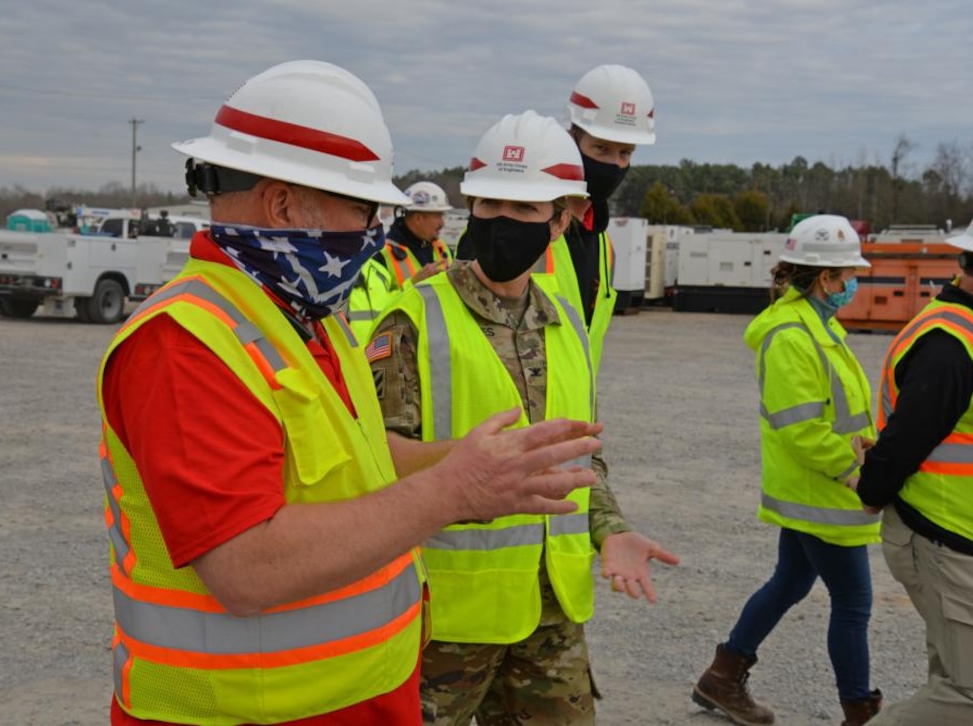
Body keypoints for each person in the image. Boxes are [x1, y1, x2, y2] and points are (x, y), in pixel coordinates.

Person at [96, 61, 602, 726]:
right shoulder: (185, 343)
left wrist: (473, 461)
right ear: (282, 204)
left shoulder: (307, 323)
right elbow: (246, 566)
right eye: (364, 209)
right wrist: (456, 491)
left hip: (353, 698)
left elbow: (361, 467)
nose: (374, 232)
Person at [368, 110, 678, 726]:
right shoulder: (413, 319)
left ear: (561, 221)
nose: (502, 222)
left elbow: (580, 457)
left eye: (526, 209)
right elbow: (373, 461)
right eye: (489, 205)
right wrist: (468, 465)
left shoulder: (566, 323)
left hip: (553, 617)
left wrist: (610, 529)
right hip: (449, 622)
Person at [692, 215, 882, 726]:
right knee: (853, 603)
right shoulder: (791, 336)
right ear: (826, 279)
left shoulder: (817, 324)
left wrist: (867, 444)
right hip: (822, 491)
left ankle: (721, 678)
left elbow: (834, 408)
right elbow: (800, 428)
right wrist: (854, 472)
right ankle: (859, 709)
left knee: (789, 584)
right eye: (848, 276)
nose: (853, 285)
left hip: (815, 488)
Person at [853, 202, 973, 725]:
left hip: (964, 538)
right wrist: (871, 490)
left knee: (956, 679)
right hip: (945, 539)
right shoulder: (950, 343)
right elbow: (902, 442)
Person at [456, 64, 654, 379]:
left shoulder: (604, 246)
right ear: (571, 138)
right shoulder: (508, 228)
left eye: (625, 154)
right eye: (601, 148)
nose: (613, 165)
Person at [347, 180, 454, 342]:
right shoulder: (381, 254)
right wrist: (413, 285)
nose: (442, 223)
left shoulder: (443, 249)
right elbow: (376, 311)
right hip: (401, 344)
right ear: (418, 218)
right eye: (438, 216)